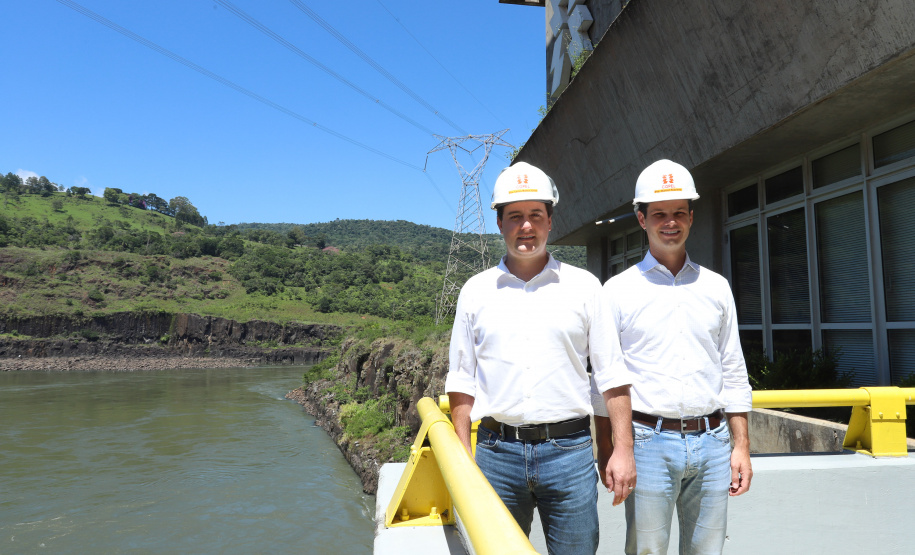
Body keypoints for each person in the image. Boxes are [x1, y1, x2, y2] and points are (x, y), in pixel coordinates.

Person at [445, 161, 635, 554]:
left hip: (569, 454)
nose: (526, 227)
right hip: (497, 454)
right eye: (515, 217)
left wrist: (621, 449)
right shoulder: (476, 291)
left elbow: (610, 376)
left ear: (550, 221)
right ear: (500, 224)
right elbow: (462, 379)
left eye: (535, 215)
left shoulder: (584, 287)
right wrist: (462, 456)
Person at [594, 159, 753, 555]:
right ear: (641, 218)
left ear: (691, 217)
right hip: (648, 444)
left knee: (707, 550)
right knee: (646, 551)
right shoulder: (617, 291)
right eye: (660, 214)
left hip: (714, 443)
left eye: (679, 213)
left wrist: (741, 446)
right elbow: (605, 381)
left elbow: (733, 369)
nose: (671, 222)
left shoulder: (715, 287)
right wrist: (612, 449)